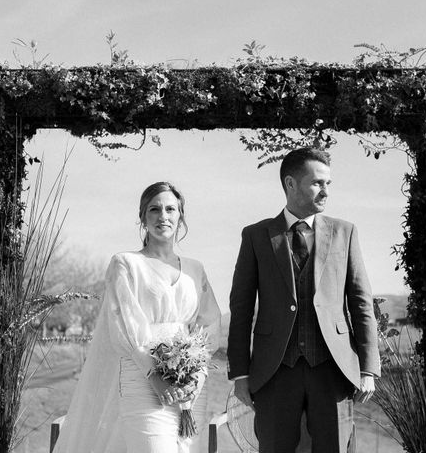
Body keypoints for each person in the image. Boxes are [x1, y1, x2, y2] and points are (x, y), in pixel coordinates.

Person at [227, 148, 380, 453]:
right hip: (275, 370)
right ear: (291, 184)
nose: (325, 191)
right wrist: (241, 373)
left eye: (328, 184)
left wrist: (368, 368)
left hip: (333, 369)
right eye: (317, 183)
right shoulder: (256, 236)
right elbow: (241, 308)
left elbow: (361, 303)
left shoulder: (345, 232)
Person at [53, 181, 221, 453]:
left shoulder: (195, 269)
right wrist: (155, 376)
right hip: (143, 379)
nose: (163, 216)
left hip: (190, 388)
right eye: (154, 209)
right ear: (143, 217)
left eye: (170, 209)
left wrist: (198, 375)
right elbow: (122, 324)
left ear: (180, 216)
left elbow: (209, 323)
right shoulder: (126, 264)